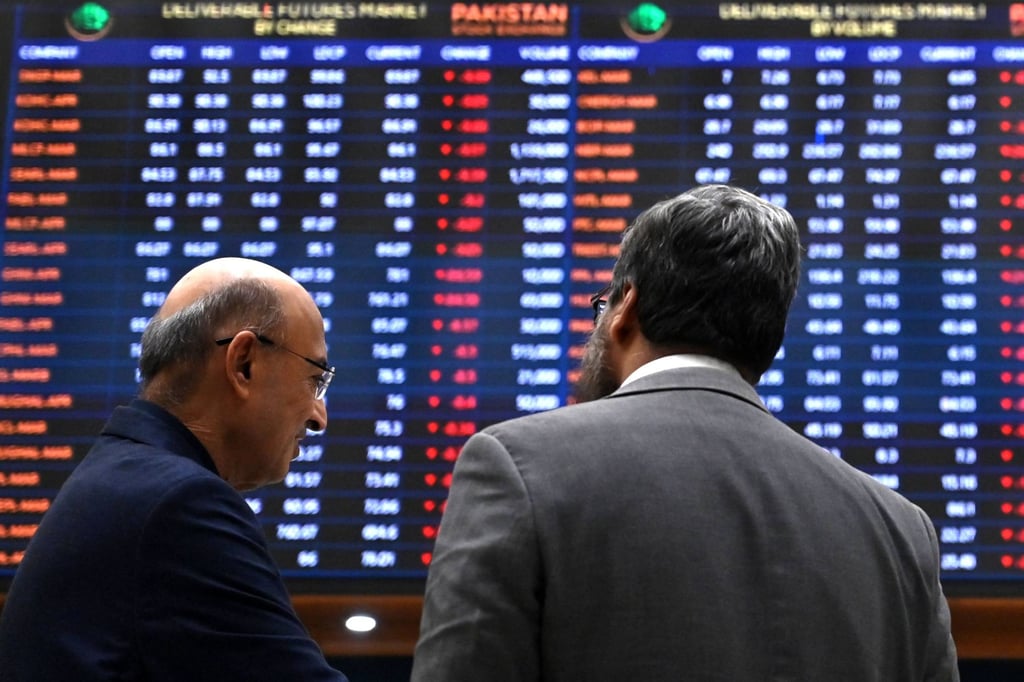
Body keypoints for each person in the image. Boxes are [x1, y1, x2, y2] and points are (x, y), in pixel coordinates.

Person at [412, 184, 959, 681]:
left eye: (600, 308)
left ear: (626, 308)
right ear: (766, 340)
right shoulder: (901, 530)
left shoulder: (516, 464)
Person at [0, 258, 348, 680]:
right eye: (316, 380)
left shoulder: (131, 478)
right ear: (243, 364)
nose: (319, 417)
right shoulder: (181, 506)